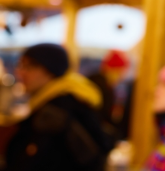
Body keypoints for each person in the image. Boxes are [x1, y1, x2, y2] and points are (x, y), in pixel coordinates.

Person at [6, 43, 112, 171]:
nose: (20, 72)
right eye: (21, 65)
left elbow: (31, 163)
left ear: (50, 70)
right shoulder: (66, 99)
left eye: (29, 66)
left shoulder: (56, 110)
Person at [87, 50, 130, 140]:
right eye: (121, 72)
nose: (122, 76)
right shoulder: (103, 87)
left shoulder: (95, 80)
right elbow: (100, 117)